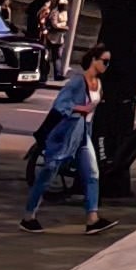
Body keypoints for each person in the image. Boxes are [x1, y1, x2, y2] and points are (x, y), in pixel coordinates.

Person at [25, 47, 103, 230]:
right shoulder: (77, 81)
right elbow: (60, 104)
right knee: (49, 172)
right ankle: (28, 216)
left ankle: (92, 219)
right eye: (104, 61)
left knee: (92, 174)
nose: (107, 66)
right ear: (93, 60)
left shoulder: (98, 84)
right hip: (66, 133)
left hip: (83, 135)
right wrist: (81, 109)